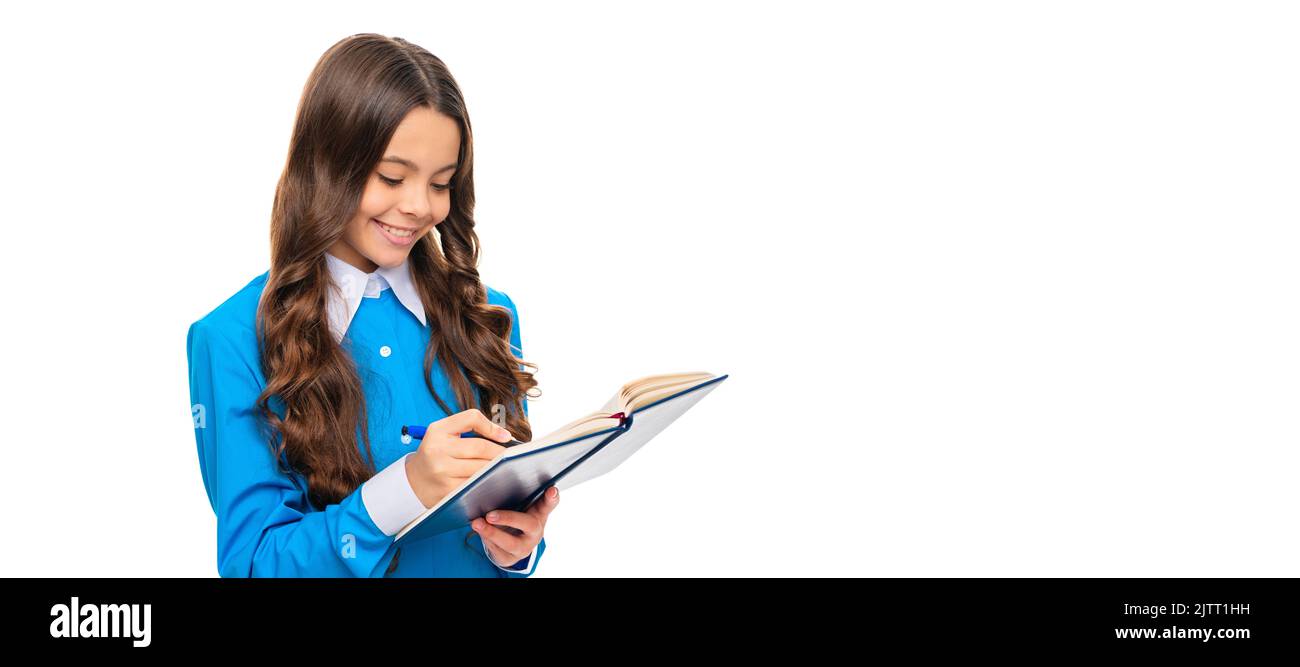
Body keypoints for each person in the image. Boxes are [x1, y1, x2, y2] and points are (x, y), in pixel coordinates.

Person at [186, 33, 556, 577]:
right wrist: (403, 490)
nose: (417, 206)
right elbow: (254, 563)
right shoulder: (234, 338)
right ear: (326, 163)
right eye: (391, 177)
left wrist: (518, 545)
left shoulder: (487, 316)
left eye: (441, 183)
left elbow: (508, 517)